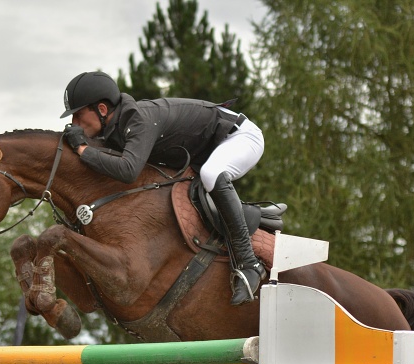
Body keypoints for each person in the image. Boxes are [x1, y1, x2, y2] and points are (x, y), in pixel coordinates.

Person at [61, 71, 266, 305]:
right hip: (207, 151)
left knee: (212, 174)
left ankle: (249, 263)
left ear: (103, 110)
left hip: (241, 137)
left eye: (78, 116)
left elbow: (128, 171)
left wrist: (82, 150)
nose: (73, 124)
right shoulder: (116, 127)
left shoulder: (139, 119)